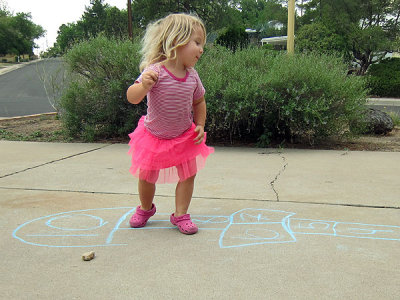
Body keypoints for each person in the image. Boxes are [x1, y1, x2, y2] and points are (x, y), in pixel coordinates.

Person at [126, 13, 214, 235]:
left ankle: (181, 214)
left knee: (188, 175)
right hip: (153, 136)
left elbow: (199, 101)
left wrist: (200, 124)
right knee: (146, 176)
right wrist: (143, 85)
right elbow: (132, 97)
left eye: (202, 44)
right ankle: (146, 208)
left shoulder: (193, 76)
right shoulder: (155, 71)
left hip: (183, 135)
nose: (201, 49)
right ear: (176, 40)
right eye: (197, 42)